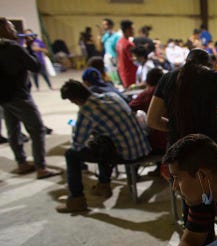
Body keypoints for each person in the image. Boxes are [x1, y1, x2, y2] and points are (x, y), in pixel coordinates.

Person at [57, 80, 150, 212]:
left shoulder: (86, 111)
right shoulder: (111, 96)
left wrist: (88, 138)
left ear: (75, 99)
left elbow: (77, 144)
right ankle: (103, 184)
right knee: (101, 141)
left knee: (71, 154)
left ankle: (76, 200)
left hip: (126, 155)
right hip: (142, 146)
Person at [148, 49, 217, 157]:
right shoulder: (215, 78)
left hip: (178, 149)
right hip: (209, 147)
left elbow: (152, 120)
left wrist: (178, 126)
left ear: (186, 62)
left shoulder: (167, 78)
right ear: (208, 64)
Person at [0, 18, 59, 179]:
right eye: (10, 27)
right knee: (37, 130)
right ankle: (41, 168)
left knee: (13, 131)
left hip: (4, 98)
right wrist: (30, 49)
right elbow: (35, 66)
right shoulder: (13, 48)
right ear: (3, 29)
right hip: (19, 96)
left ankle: (22, 163)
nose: (13, 30)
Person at [100, 18, 121, 85]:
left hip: (114, 56)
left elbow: (118, 48)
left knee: (115, 71)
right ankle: (113, 83)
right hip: (107, 56)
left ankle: (117, 83)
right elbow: (100, 46)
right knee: (109, 71)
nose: (103, 27)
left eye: (105, 25)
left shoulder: (117, 36)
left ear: (111, 25)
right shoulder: (106, 35)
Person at [116, 20, 137, 88]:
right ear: (128, 30)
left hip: (123, 72)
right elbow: (133, 59)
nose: (134, 31)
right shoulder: (128, 44)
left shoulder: (120, 42)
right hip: (130, 73)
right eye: (132, 29)